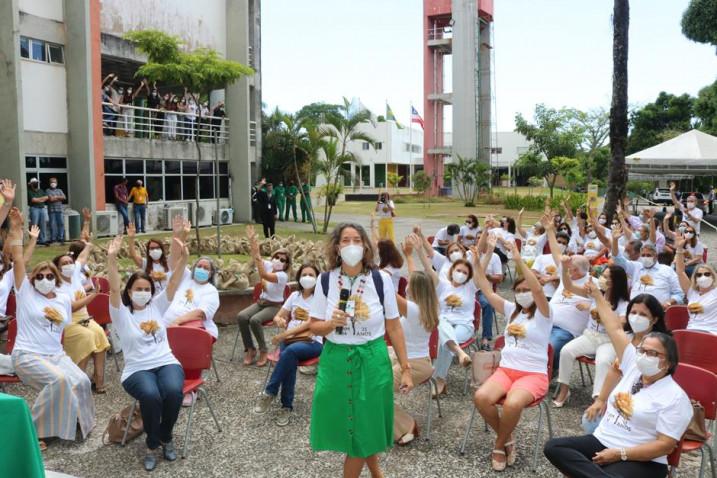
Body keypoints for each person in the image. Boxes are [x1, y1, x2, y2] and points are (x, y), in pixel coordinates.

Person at [544, 285, 692, 478]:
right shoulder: (633, 365)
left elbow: (665, 445)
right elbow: (613, 327)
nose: (644, 356)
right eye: (642, 350)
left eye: (653, 353)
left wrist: (620, 454)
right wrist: (597, 296)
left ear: (669, 362)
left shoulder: (675, 397)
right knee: (554, 447)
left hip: (643, 459)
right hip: (603, 441)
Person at [308, 222, 413, 478]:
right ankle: (378, 474)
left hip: (372, 358)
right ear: (336, 246)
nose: (351, 245)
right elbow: (314, 326)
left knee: (363, 424)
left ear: (365, 246)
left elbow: (395, 327)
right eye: (345, 240)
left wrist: (406, 368)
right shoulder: (325, 280)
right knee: (352, 424)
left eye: (357, 239)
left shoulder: (381, 279)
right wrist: (331, 323)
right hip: (336, 360)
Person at [7, 208, 95, 448]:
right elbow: (18, 261)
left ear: (55, 278)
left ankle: (77, 422)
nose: (44, 279)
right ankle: (31, 432)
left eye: (49, 276)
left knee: (82, 382)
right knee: (59, 381)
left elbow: (72, 310)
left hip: (55, 355)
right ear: (34, 279)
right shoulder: (26, 293)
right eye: (40, 276)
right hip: (28, 355)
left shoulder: (63, 299)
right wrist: (16, 230)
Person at [107, 227, 189, 472]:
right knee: (151, 396)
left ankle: (165, 436)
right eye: (137, 289)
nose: (142, 293)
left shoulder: (157, 306)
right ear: (129, 292)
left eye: (146, 289)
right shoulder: (121, 313)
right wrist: (111, 258)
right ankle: (153, 445)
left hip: (166, 362)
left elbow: (173, 281)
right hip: (136, 370)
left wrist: (184, 258)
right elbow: (112, 288)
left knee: (174, 392)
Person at [473, 234, 552, 471]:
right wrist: (478, 262)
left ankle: (499, 444)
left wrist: (517, 258)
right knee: (481, 398)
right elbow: (485, 288)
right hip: (507, 370)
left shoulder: (546, 314)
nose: (523, 293)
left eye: (527, 289)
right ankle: (507, 438)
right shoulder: (511, 311)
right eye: (519, 290)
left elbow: (537, 289)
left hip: (533, 374)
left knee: (512, 404)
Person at [254, 264, 323, 426]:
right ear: (299, 277)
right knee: (289, 360)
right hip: (290, 341)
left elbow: (310, 323)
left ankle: (270, 392)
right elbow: (279, 315)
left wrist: (284, 334)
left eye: (311, 274)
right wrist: (280, 320)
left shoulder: (321, 299)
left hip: (312, 342)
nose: (307, 277)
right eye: (304, 274)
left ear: (317, 278)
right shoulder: (294, 296)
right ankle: (286, 407)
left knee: (289, 353)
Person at [553, 261, 630, 405]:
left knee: (603, 362)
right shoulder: (595, 293)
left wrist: (601, 309)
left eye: (607, 278)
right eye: (603, 275)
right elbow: (569, 286)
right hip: (590, 336)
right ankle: (564, 390)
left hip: (608, 340)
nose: (602, 280)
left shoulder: (623, 304)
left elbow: (619, 325)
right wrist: (564, 269)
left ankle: (598, 399)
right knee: (566, 351)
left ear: (616, 282)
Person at [412, 232, 477, 397]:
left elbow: (480, 268)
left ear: (468, 275)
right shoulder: (443, 285)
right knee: (441, 326)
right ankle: (457, 357)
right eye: (458, 270)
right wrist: (419, 250)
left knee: (444, 342)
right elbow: (428, 268)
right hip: (444, 323)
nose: (461, 273)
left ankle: (438, 379)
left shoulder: (471, 287)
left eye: (464, 271)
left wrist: (487, 251)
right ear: (451, 270)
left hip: (464, 325)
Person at [390, 238, 439, 445]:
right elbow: (415, 276)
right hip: (405, 355)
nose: (406, 284)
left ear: (415, 290)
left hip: (415, 365)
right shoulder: (428, 305)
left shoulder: (413, 309)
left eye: (409, 284)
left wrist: (368, 270)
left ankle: (405, 424)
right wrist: (409, 255)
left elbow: (387, 292)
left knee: (372, 387)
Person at [52, 244, 110, 393]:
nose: (69, 265)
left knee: (100, 335)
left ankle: (98, 380)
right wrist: (93, 295)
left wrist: (89, 245)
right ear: (58, 269)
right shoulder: (57, 286)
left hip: (85, 319)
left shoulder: (75, 273)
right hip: (69, 322)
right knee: (87, 338)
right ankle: (78, 383)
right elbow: (72, 307)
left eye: (70, 262)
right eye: (64, 264)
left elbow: (82, 257)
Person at [542, 215, 594, 373]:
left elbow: (603, 304)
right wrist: (550, 230)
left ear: (579, 271)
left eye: (571, 269)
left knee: (550, 346)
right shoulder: (567, 272)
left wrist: (589, 305)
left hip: (567, 331)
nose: (566, 270)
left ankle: (548, 374)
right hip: (546, 322)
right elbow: (556, 252)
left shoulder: (593, 283)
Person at [237, 226, 291, 366]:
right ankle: (250, 349)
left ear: (286, 264)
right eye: (277, 257)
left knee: (255, 320)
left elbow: (264, 275)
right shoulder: (268, 265)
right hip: (261, 302)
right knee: (242, 316)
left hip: (275, 306)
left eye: (282, 260)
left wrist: (258, 258)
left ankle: (263, 350)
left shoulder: (282, 276)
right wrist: (253, 241)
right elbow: (257, 257)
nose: (278, 260)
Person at [675, 236, 717, 334]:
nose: (703, 277)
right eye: (699, 275)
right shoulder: (691, 292)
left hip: (711, 333)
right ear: (695, 279)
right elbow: (680, 271)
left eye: (707, 274)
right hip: (690, 332)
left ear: (713, 277)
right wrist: (679, 249)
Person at [127, 225, 170, 294]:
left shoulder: (168, 262)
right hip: (153, 297)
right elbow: (133, 255)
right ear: (148, 251)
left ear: (162, 249)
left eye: (157, 247)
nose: (155, 250)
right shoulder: (145, 263)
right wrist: (131, 238)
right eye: (152, 248)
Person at [27, 177, 48, 245]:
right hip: (34, 208)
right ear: (31, 184)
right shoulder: (29, 191)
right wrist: (41, 199)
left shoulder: (41, 190)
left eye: (36, 183)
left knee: (43, 224)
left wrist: (38, 199)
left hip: (42, 208)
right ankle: (34, 240)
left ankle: (43, 240)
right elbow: (33, 200)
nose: (36, 184)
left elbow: (46, 197)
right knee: (34, 225)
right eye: (34, 183)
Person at [45, 177, 66, 245]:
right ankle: (53, 238)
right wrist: (59, 197)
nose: (53, 183)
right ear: (49, 183)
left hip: (59, 210)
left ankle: (61, 238)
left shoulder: (59, 190)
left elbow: (64, 197)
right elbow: (50, 199)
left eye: (54, 182)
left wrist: (56, 197)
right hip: (51, 210)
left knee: (61, 224)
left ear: (56, 183)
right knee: (52, 225)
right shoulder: (47, 190)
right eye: (51, 182)